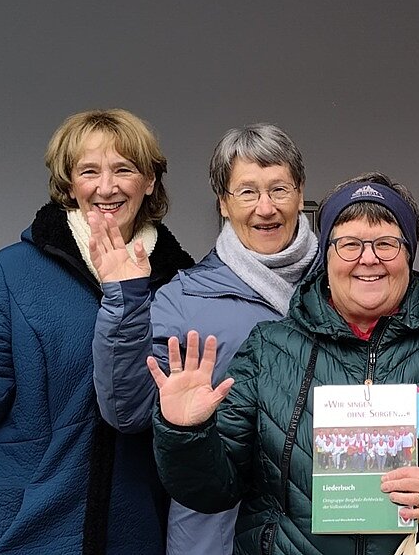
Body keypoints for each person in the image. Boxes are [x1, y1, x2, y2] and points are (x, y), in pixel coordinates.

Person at [149, 172, 419, 554]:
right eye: (349, 244)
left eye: (386, 243)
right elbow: (212, 490)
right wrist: (187, 434)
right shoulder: (269, 349)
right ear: (327, 255)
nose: (368, 260)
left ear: (409, 252)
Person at [0, 109, 193, 554]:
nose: (106, 187)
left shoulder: (183, 284)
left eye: (124, 169)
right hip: (7, 529)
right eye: (88, 171)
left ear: (150, 181)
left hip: (127, 533)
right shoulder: (14, 269)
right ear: (69, 183)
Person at [89, 123, 318, 555]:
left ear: (301, 194)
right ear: (223, 203)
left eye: (279, 190)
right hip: (217, 535)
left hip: (326, 530)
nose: (265, 208)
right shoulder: (183, 298)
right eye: (247, 192)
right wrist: (123, 303)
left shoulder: (346, 283)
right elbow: (128, 410)